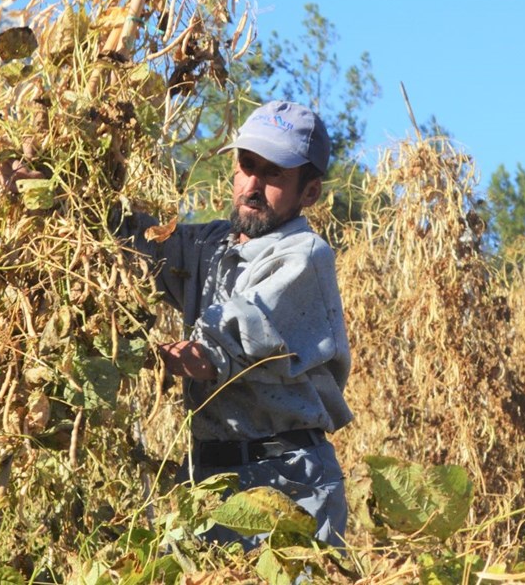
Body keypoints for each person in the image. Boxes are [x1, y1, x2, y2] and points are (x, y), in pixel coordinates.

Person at [122, 100, 354, 549]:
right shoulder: (209, 247)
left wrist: (143, 355)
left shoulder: (303, 255)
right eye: (246, 166)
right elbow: (133, 244)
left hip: (287, 482)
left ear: (309, 193)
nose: (252, 186)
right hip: (211, 479)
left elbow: (220, 345)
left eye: (273, 176)